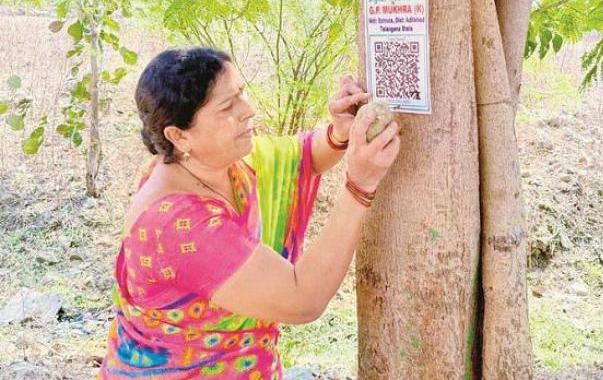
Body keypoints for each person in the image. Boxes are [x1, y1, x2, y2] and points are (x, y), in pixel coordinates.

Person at [98, 48, 400, 379]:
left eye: (241, 94)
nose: (249, 111)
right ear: (179, 135)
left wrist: (340, 133)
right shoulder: (176, 225)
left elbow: (301, 157)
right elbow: (302, 297)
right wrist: (360, 184)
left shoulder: (217, 163)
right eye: (228, 106)